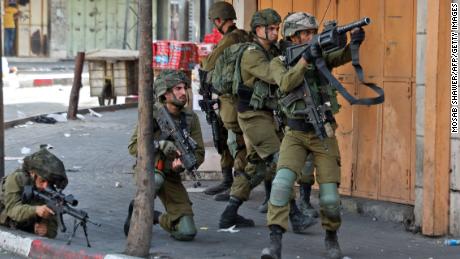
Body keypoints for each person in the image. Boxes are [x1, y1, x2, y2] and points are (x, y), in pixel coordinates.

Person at [261, 12, 365, 259]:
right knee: (281, 185)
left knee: (329, 197)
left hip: (323, 134)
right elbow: (285, 83)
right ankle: (274, 243)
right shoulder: (279, 61)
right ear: (293, 36)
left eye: (312, 33)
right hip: (295, 133)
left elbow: (341, 55)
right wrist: (305, 59)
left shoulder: (320, 55)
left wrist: (355, 43)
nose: (311, 37)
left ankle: (331, 238)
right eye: (306, 33)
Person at [218, 9, 315, 233]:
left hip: (268, 115)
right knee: (281, 162)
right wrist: (298, 62)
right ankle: (294, 215)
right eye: (270, 28)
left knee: (255, 168)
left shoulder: (273, 50)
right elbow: (275, 77)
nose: (275, 32)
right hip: (252, 116)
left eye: (277, 28)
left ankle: (229, 213)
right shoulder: (252, 54)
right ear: (258, 29)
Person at [125, 70, 205, 241]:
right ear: (165, 92)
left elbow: (199, 154)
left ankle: (155, 217)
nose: (184, 93)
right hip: (149, 170)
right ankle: (138, 210)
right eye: (178, 89)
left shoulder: (191, 118)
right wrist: (159, 145)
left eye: (185, 88)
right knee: (157, 179)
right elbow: (133, 147)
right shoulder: (151, 114)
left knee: (187, 232)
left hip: (171, 176)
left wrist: (183, 164)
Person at [201, 1, 250, 201]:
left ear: (220, 20)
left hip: (232, 98)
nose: (215, 26)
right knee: (225, 137)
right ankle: (228, 181)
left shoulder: (231, 39)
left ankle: (235, 185)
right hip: (234, 97)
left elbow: (209, 63)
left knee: (234, 141)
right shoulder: (243, 35)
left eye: (215, 22)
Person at [0, 148, 68, 238]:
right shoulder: (16, 179)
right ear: (32, 173)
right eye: (42, 180)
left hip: (22, 223)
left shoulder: (50, 191)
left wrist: (45, 229)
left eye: (49, 182)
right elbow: (13, 210)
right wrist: (36, 210)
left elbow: (52, 229)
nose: (45, 186)